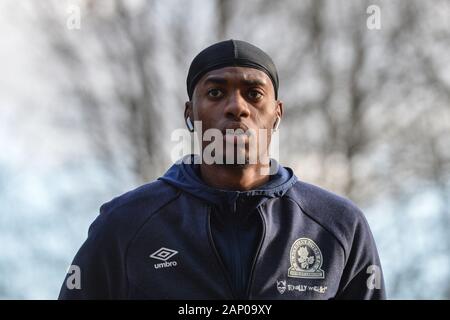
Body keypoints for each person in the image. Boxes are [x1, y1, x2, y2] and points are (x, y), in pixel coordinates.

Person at [58, 39, 386, 300]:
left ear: (277, 114)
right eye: (215, 92)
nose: (236, 107)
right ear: (190, 114)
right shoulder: (125, 224)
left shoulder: (338, 226)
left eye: (254, 94)